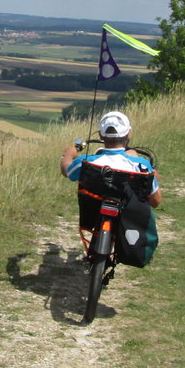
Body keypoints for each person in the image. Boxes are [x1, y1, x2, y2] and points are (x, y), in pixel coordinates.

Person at [60, 110, 161, 269]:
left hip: (92, 210)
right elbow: (155, 201)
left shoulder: (86, 162)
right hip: (127, 214)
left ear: (101, 135)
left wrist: (68, 154)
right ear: (128, 135)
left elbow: (67, 171)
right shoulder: (141, 165)